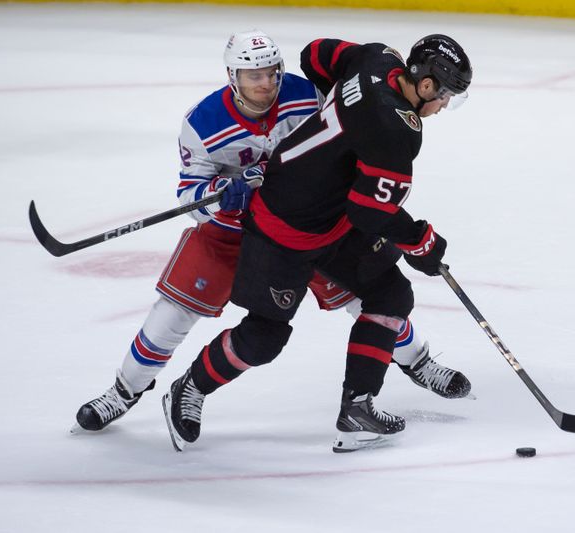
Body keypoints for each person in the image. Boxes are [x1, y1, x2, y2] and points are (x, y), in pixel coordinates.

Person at [73, 30, 471, 434]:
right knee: (181, 314)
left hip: (325, 219)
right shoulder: (203, 121)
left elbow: (334, 109)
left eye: (271, 73)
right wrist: (220, 194)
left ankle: (412, 365)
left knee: (378, 295)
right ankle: (124, 392)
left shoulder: (305, 95)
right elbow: (189, 192)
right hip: (240, 227)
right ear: (233, 76)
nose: (265, 83)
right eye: (253, 76)